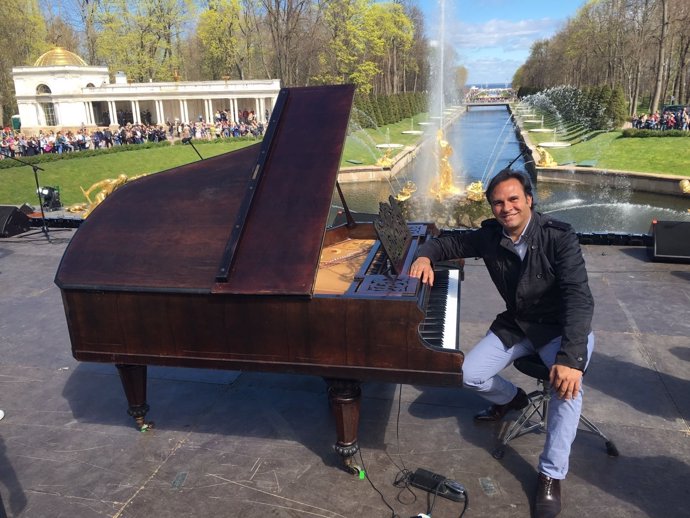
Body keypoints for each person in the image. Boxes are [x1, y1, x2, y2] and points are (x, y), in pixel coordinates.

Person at [410, 169, 594, 518]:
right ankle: (513, 399)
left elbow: (579, 298)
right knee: (467, 374)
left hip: (560, 329)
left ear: (529, 200)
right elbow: (448, 243)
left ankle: (551, 475)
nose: (506, 208)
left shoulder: (559, 237)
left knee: (567, 390)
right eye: (498, 202)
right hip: (519, 324)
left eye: (513, 199)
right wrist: (424, 255)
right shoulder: (490, 236)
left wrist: (571, 358)